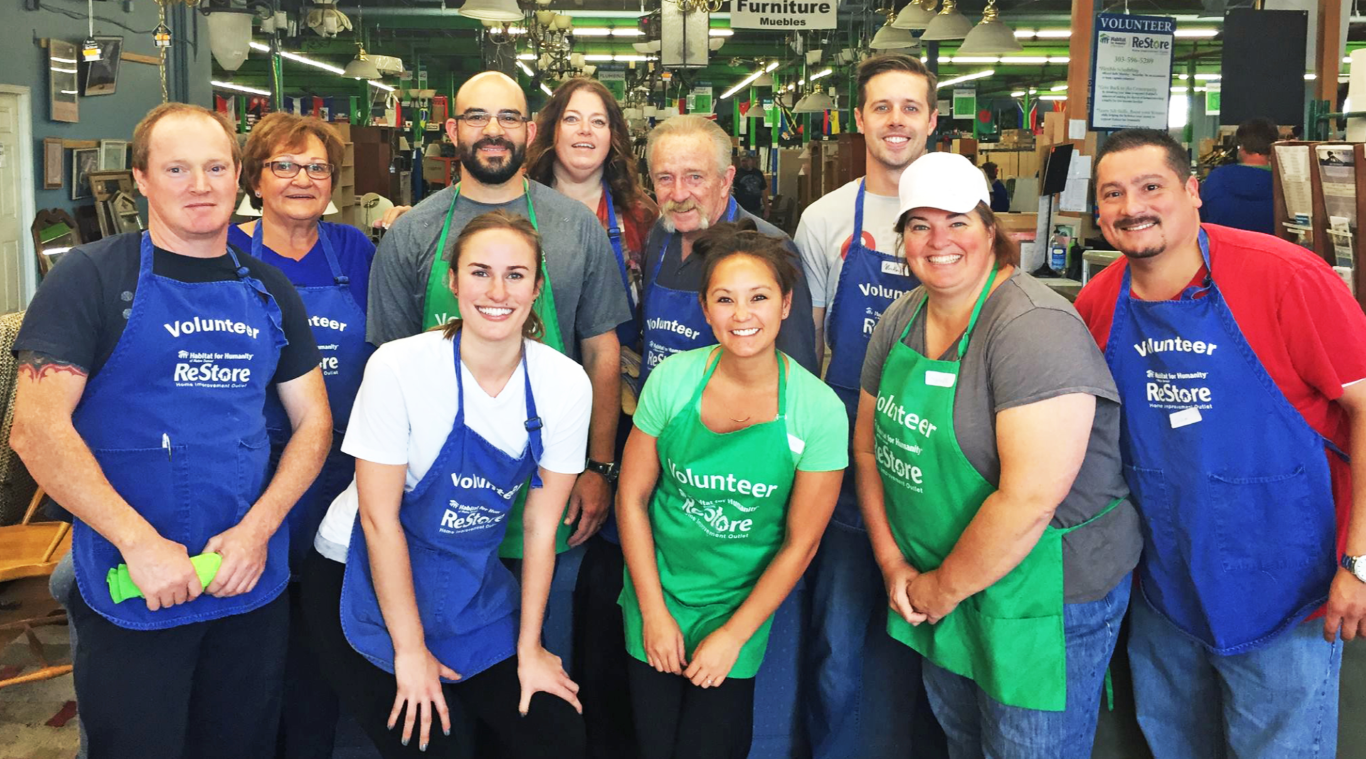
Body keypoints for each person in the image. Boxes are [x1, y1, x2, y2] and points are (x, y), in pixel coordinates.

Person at [10, 102, 331, 758]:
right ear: (143, 180)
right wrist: (141, 544)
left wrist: (257, 531)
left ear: (238, 176)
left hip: (245, 581)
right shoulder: (92, 277)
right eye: (177, 168)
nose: (199, 184)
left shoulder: (269, 291)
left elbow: (314, 424)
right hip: (134, 586)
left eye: (215, 167)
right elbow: (36, 431)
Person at [1075, 128, 1366, 758]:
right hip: (1165, 590)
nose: (1132, 208)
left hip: (1289, 585)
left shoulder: (1286, 278)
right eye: (1113, 194)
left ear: (1193, 191)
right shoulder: (1099, 302)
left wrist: (1359, 562)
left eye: (1151, 187)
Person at [857, 152, 1141, 757]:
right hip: (941, 577)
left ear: (993, 231)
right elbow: (867, 451)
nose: (939, 241)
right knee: (964, 739)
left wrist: (940, 590)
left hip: (1040, 592)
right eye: (919, 225)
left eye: (958, 222)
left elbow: (1030, 499)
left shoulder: (1033, 329)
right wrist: (892, 564)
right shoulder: (899, 320)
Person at [367, 72, 630, 676]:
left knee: (544, 650)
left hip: (549, 478)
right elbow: (385, 361)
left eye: (509, 117)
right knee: (448, 661)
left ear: (529, 130)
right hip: (433, 493)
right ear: (453, 129)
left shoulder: (574, 228)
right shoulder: (412, 232)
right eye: (477, 117)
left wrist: (598, 466)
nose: (493, 130)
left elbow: (602, 352)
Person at [303, 210, 590, 759]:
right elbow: (377, 519)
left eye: (516, 274)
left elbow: (539, 524)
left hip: (467, 581)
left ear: (537, 285)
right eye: (480, 272)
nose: (497, 291)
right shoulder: (400, 368)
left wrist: (530, 648)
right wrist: (409, 651)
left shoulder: (563, 384)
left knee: (554, 731)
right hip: (357, 574)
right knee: (435, 742)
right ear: (453, 281)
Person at [617, 220, 846, 759]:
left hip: (738, 608)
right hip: (657, 592)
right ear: (705, 308)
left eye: (759, 297)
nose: (742, 316)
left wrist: (733, 636)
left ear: (786, 305)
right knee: (649, 744)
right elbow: (631, 498)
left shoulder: (818, 411)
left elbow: (801, 545)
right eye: (725, 299)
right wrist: (652, 610)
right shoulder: (672, 379)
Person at [792, 53, 941, 758]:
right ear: (859, 119)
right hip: (848, 445)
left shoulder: (958, 220)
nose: (896, 121)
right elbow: (812, 342)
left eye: (911, 107)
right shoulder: (825, 219)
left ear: (933, 119)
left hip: (939, 456)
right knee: (839, 633)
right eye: (882, 107)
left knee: (938, 634)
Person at [231, 112, 377, 759]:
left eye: (317, 167)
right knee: (256, 647)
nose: (301, 178)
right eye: (284, 165)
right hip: (249, 476)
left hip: (341, 476)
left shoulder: (357, 253)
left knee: (327, 638)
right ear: (255, 178)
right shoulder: (229, 254)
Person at [524, 75, 657, 758]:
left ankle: (597, 712)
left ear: (615, 138)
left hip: (625, 405)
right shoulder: (513, 207)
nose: (583, 132)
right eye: (571, 119)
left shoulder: (640, 217)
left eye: (598, 122)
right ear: (549, 131)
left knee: (604, 565)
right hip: (529, 411)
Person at [642, 115, 818, 384]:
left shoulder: (770, 247)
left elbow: (797, 370)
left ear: (726, 180)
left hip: (732, 421)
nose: (678, 195)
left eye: (695, 177)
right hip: (657, 415)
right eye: (665, 178)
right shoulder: (659, 234)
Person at [1198, 117, 1278, 235]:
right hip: (1268, 251)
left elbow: (1200, 219)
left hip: (1220, 250)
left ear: (1241, 147)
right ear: (1273, 147)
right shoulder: (1282, 183)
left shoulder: (1217, 178)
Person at [731, 152, 769, 217]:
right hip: (741, 210)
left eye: (747, 160)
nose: (745, 163)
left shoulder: (758, 173)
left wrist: (767, 208)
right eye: (743, 161)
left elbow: (764, 191)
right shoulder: (736, 174)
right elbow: (732, 192)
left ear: (752, 160)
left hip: (756, 209)